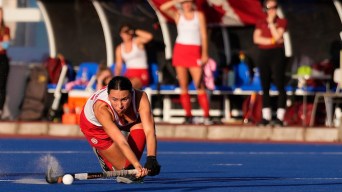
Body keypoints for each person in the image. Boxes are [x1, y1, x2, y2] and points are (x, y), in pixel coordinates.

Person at [79, 76, 161, 184]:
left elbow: (149, 131)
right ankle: (102, 153)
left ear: (131, 94)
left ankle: (126, 164)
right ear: (108, 96)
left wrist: (151, 158)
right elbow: (121, 141)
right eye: (114, 100)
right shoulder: (101, 109)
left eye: (125, 99)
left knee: (140, 124)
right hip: (95, 128)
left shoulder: (141, 97)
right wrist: (136, 165)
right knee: (127, 172)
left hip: (121, 119)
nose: (120, 106)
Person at [160, 0, 212, 125]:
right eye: (184, 2)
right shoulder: (178, 15)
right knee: (183, 85)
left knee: (199, 84)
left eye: (188, 2)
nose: (187, 5)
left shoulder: (199, 15)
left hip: (194, 51)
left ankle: (206, 115)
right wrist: (178, 1)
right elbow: (163, 7)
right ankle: (188, 115)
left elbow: (204, 35)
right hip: (180, 50)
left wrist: (204, 53)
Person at [253, 0, 288, 127]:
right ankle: (266, 116)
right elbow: (256, 38)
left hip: (277, 53)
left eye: (275, 7)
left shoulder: (281, 21)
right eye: (270, 8)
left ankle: (280, 117)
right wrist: (272, 40)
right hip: (264, 54)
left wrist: (272, 24)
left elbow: (278, 37)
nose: (272, 10)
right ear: (265, 9)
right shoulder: (260, 22)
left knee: (279, 83)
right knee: (265, 85)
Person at [115, 24, 153, 90]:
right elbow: (118, 66)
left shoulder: (137, 41)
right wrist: (115, 80)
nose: (127, 34)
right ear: (121, 34)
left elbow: (149, 37)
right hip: (129, 74)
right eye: (125, 32)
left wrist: (135, 30)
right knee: (118, 86)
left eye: (128, 31)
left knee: (127, 86)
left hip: (141, 74)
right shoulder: (119, 48)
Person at [0, 7, 10, 119]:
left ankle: (0, 109)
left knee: (1, 85)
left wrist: (2, 44)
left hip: (2, 59)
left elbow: (5, 45)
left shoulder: (5, 29)